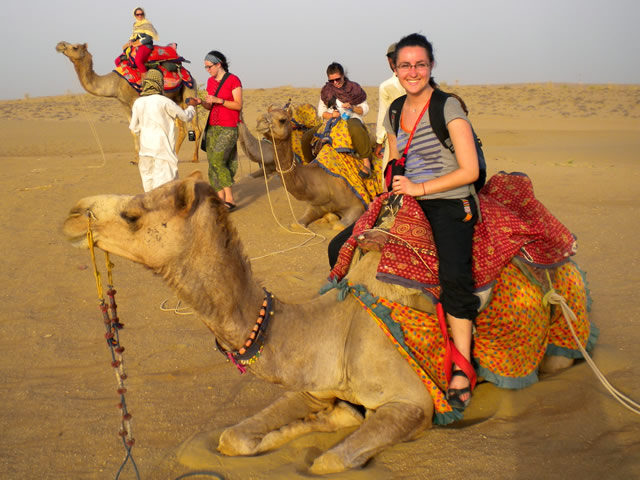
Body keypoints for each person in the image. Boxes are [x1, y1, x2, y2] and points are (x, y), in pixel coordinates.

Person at [384, 33, 480, 411]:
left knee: (453, 273)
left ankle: (462, 364)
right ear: (395, 68)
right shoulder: (394, 111)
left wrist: (419, 188)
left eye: (420, 64)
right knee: (343, 247)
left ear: (431, 66)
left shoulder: (447, 106)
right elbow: (396, 160)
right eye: (405, 65)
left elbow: (469, 170)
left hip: (450, 199)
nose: (413, 72)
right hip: (408, 197)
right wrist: (392, 188)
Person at [301, 63, 373, 178]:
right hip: (332, 121)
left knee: (355, 129)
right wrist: (332, 115)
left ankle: (366, 162)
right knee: (306, 137)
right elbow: (321, 112)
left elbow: (365, 109)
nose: (335, 82)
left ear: (343, 76)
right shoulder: (326, 91)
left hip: (351, 117)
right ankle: (310, 165)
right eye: (331, 80)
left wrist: (352, 107)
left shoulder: (354, 89)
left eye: (337, 79)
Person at [129, 69, 196, 192]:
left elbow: (134, 128)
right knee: (166, 189)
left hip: (145, 151)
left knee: (149, 188)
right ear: (160, 83)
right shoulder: (165, 102)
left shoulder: (138, 102)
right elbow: (186, 117)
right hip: (163, 151)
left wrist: (145, 131)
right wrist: (191, 106)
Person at [191, 51, 242, 211]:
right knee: (212, 163)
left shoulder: (233, 80)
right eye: (205, 67)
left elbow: (238, 105)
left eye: (209, 66)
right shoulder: (210, 82)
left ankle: (230, 199)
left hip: (229, 126)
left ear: (218, 64)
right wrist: (201, 102)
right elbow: (210, 106)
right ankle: (219, 199)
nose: (207, 70)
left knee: (218, 161)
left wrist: (219, 100)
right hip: (212, 126)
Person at [374, 43, 406, 184]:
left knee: (389, 176)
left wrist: (379, 141)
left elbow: (383, 114)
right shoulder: (422, 82)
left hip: (394, 136)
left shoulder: (386, 86)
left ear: (389, 60)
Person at [122, 7, 159, 74]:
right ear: (135, 15)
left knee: (138, 61)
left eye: (141, 14)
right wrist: (130, 41)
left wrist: (137, 43)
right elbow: (134, 36)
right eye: (138, 14)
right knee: (119, 59)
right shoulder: (135, 24)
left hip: (146, 45)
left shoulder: (147, 24)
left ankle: (145, 78)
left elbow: (148, 38)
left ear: (144, 14)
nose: (140, 16)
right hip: (136, 45)